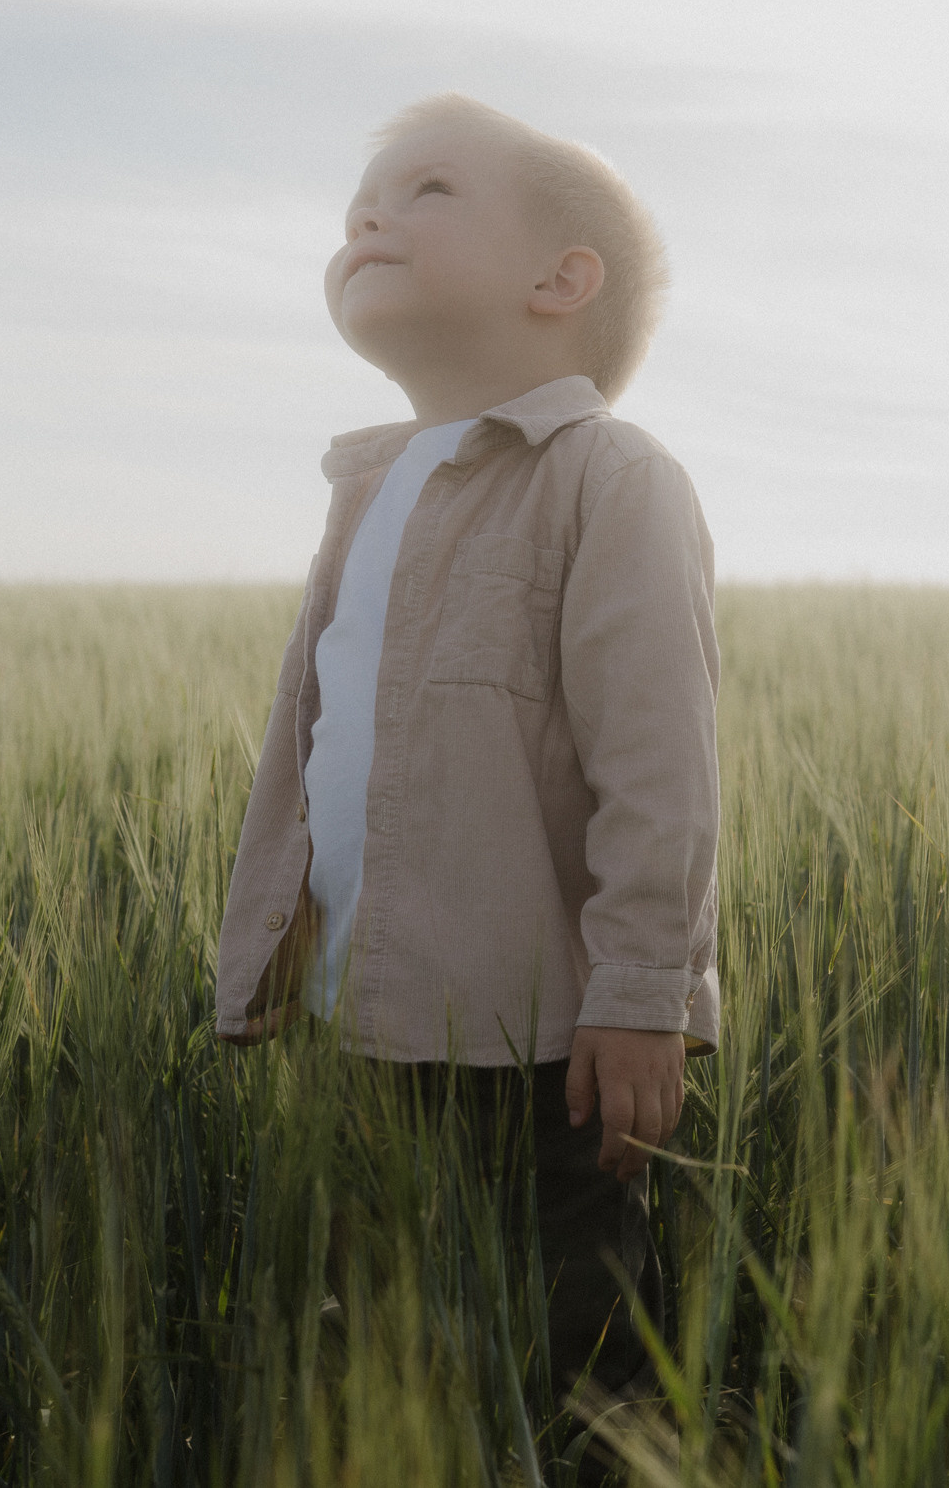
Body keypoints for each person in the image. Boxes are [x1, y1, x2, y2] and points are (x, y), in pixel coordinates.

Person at [213, 93, 719, 1426]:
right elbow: (318, 749)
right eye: (355, 207)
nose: (366, 215)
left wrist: (643, 990)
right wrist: (275, 931)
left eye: (425, 189)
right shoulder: (370, 495)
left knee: (576, 1350)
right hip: (356, 1020)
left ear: (562, 280)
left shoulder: (610, 480)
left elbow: (658, 765)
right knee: (385, 1332)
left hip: (539, 1036)